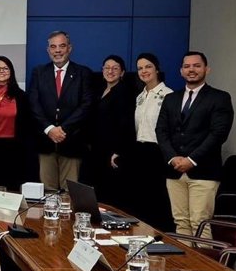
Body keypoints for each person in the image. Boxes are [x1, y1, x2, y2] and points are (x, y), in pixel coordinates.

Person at [156, 51, 234, 238]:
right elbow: (161, 131)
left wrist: (191, 159)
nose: (192, 70)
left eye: (197, 66)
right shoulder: (171, 99)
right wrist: (173, 157)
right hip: (174, 170)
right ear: (181, 71)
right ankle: (184, 267)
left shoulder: (219, 98)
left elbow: (218, 134)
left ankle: (203, 267)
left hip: (203, 171)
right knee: (180, 222)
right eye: (187, 66)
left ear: (207, 69)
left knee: (200, 223)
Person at [28, 31, 94, 191]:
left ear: (69, 48)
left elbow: (86, 105)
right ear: (48, 50)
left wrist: (63, 129)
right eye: (53, 46)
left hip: (72, 141)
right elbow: (33, 103)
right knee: (47, 193)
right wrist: (49, 129)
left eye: (62, 46)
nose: (57, 50)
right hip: (46, 143)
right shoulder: (39, 72)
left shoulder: (83, 73)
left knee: (70, 193)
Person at [124, 53, 175, 231]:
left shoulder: (169, 95)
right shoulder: (140, 97)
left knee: (156, 199)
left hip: (158, 153)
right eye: (140, 68)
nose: (144, 71)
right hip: (140, 151)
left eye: (148, 67)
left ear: (157, 69)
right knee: (140, 199)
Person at [0, 55, 36, 192]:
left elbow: (28, 126)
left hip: (13, 151)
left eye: (5, 68)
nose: (1, 71)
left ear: (11, 72)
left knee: (10, 191)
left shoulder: (21, 96)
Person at [83, 55, 135, 207]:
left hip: (111, 152)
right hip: (95, 150)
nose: (110, 71)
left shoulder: (125, 92)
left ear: (122, 73)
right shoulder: (99, 90)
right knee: (94, 192)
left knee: (109, 196)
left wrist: (119, 150)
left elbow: (126, 124)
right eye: (107, 67)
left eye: (115, 68)